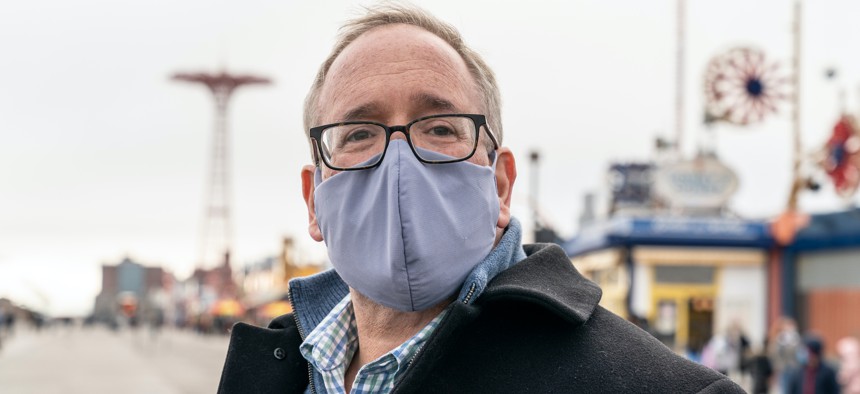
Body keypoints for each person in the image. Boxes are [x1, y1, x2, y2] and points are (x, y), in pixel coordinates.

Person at [217, 3, 744, 393]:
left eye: (441, 127)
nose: (401, 162)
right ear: (314, 201)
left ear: (500, 184)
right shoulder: (273, 370)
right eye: (358, 134)